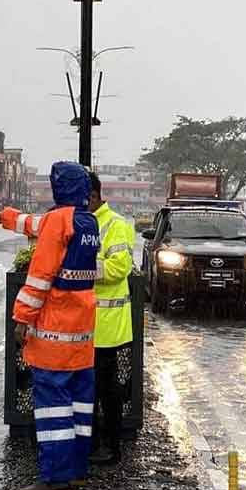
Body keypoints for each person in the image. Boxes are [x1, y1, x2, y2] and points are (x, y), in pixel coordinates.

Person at [0, 162, 100, 490]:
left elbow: (38, 279)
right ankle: (76, 472)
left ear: (57, 188)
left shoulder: (57, 222)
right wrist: (7, 216)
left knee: (52, 409)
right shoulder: (86, 221)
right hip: (82, 334)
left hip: (54, 333)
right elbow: (42, 225)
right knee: (79, 407)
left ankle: (54, 479)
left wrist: (21, 319)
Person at [86, 172, 135, 466]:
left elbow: (118, 269)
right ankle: (92, 443)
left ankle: (112, 447)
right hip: (83, 322)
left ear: (92, 195)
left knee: (106, 388)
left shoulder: (117, 225)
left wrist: (80, 266)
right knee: (88, 388)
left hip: (107, 324)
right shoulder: (83, 222)